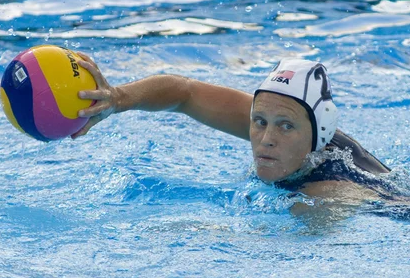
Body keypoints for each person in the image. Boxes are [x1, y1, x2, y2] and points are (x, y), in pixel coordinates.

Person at [73, 54, 391, 207]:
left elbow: (282, 249)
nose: (266, 140)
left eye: (285, 127)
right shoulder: (289, 121)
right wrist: (118, 98)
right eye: (258, 121)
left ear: (317, 135)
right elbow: (185, 92)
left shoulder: (329, 192)